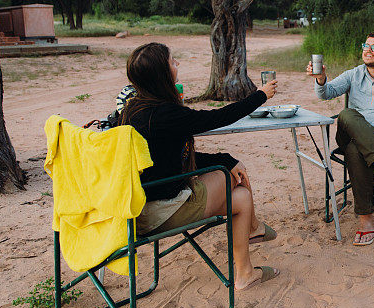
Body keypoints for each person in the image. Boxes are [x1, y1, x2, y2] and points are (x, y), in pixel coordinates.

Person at [119, 42, 279, 291]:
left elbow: (173, 159)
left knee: (241, 196)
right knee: (231, 180)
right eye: (172, 62)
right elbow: (217, 118)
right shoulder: (163, 114)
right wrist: (260, 96)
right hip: (160, 211)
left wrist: (226, 158)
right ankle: (253, 235)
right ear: (161, 74)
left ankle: (247, 265)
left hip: (138, 208)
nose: (177, 64)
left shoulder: (133, 109)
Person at [307, 31, 374, 246]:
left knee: (356, 150)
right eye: (366, 45)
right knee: (346, 114)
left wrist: (368, 130)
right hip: (351, 132)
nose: (368, 50)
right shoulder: (353, 74)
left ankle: (366, 222)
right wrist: (320, 78)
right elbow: (326, 93)